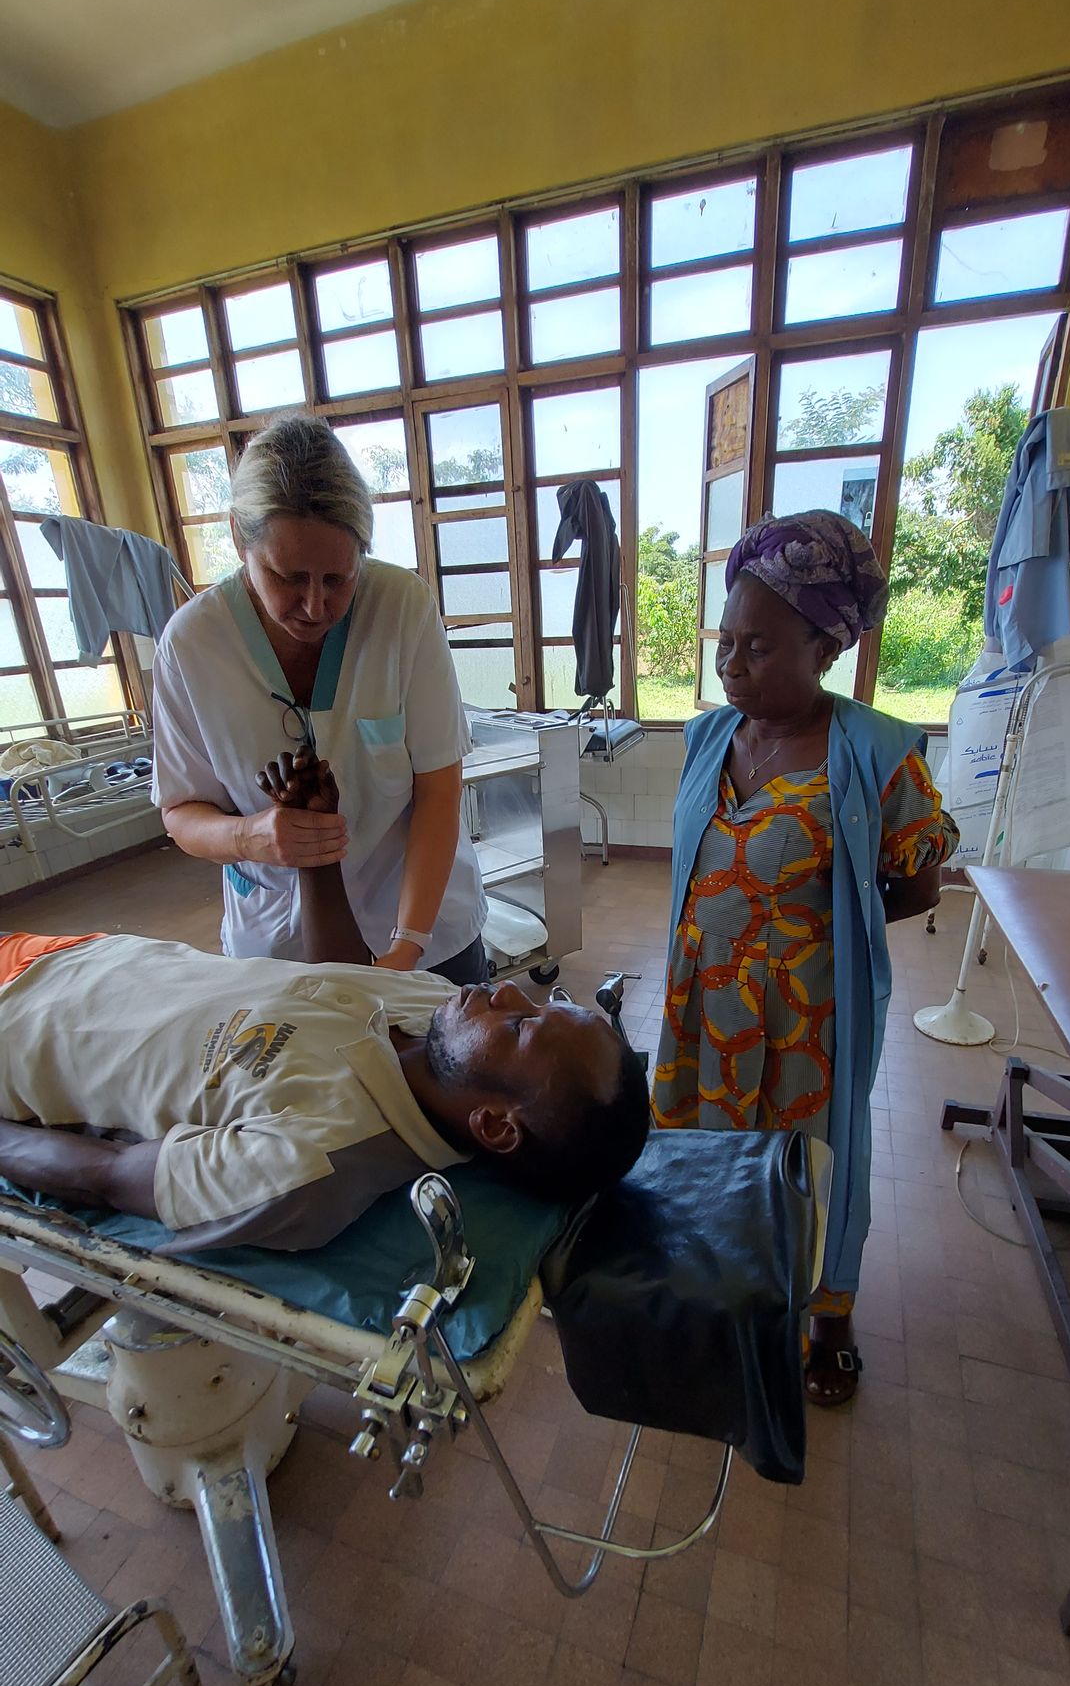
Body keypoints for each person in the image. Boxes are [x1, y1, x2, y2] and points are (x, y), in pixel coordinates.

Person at [0, 751, 649, 1258]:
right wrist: (317, 854)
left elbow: (109, 1175)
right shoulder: (438, 1013)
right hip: (79, 954)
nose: (506, 992)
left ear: (495, 1126)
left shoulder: (310, 1161)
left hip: (16, 1026)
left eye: (520, 1027)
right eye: (537, 1006)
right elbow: (341, 978)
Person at [655, 510, 959, 1406]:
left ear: (825, 647)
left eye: (757, 647)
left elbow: (917, 885)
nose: (731, 664)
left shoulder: (875, 755)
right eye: (724, 642)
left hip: (805, 1019)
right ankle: (723, 1292)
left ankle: (828, 1315)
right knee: (706, 1148)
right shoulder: (707, 738)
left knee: (811, 1163)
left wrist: (810, 939)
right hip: (700, 1002)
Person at [151, 411, 488, 982]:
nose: (314, 605)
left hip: (424, 932)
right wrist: (250, 836)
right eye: (287, 576)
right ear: (238, 537)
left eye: (338, 579)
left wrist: (406, 949)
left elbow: (438, 787)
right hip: (274, 946)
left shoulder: (400, 609)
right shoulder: (191, 645)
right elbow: (181, 812)